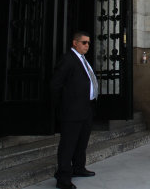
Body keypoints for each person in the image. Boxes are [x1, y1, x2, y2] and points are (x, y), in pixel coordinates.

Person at [50, 31, 98, 189]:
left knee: (82, 142)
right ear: (75, 43)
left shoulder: (83, 59)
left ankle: (78, 167)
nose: (87, 46)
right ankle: (63, 178)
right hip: (71, 110)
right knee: (68, 145)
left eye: (89, 43)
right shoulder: (67, 59)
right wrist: (63, 106)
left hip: (86, 108)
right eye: (84, 42)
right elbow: (56, 85)